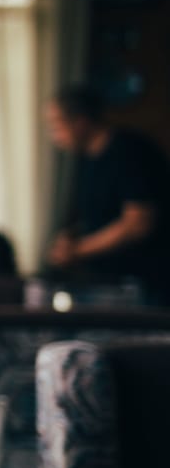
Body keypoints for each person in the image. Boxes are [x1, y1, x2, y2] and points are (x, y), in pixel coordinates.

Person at [46, 85, 170, 304]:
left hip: (145, 286)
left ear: (80, 122)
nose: (53, 135)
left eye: (56, 125)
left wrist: (78, 250)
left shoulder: (128, 151)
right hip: (109, 282)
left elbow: (138, 223)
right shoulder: (87, 160)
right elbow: (102, 216)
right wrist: (71, 238)